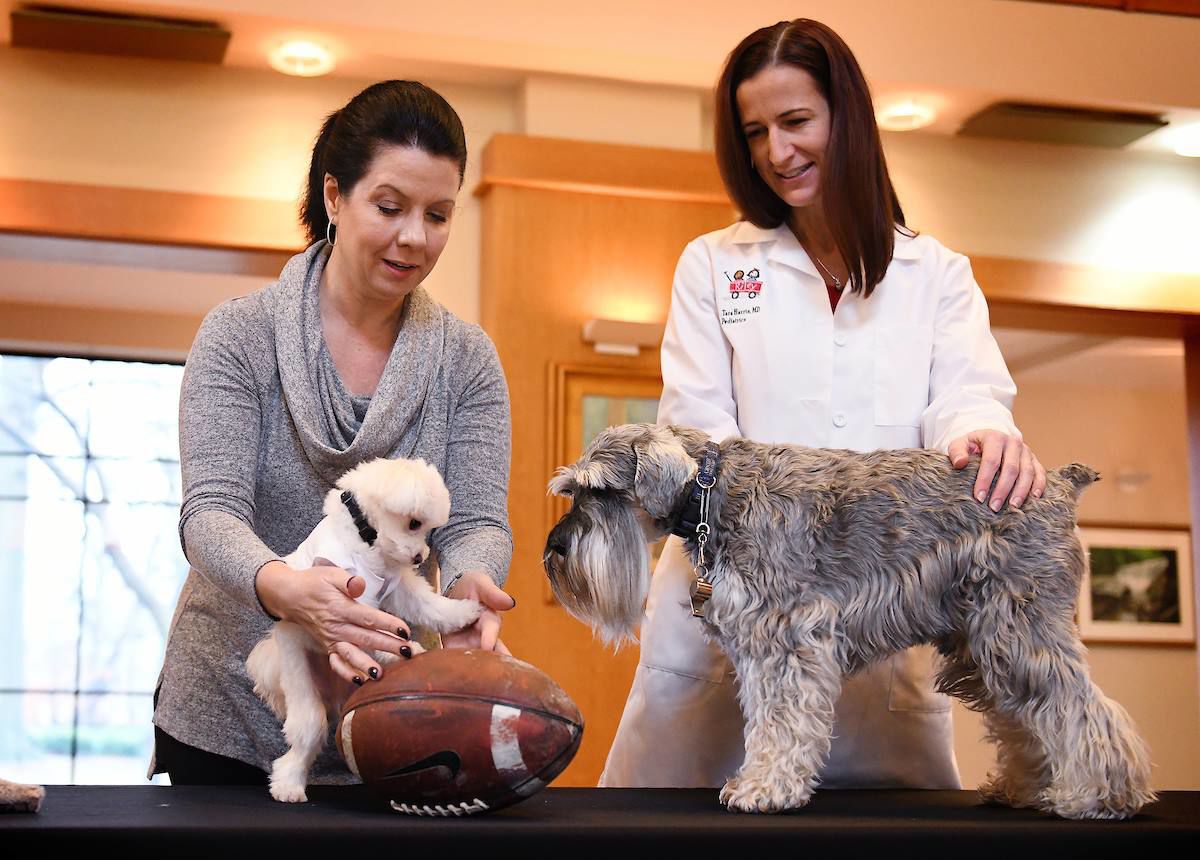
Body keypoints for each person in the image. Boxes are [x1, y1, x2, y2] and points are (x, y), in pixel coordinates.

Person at [601, 19, 1046, 790]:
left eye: (797, 121)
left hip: (881, 624)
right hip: (727, 628)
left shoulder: (934, 274)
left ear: (847, 118)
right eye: (755, 132)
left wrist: (985, 436)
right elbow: (699, 429)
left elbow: (967, 401)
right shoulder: (714, 265)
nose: (777, 152)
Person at [151, 80, 516, 786]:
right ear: (333, 197)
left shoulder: (466, 362)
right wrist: (284, 586)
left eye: (437, 215)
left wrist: (472, 581)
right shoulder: (240, 334)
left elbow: (476, 522)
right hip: (228, 706)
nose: (414, 236)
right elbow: (210, 514)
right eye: (389, 206)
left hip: (385, 709)